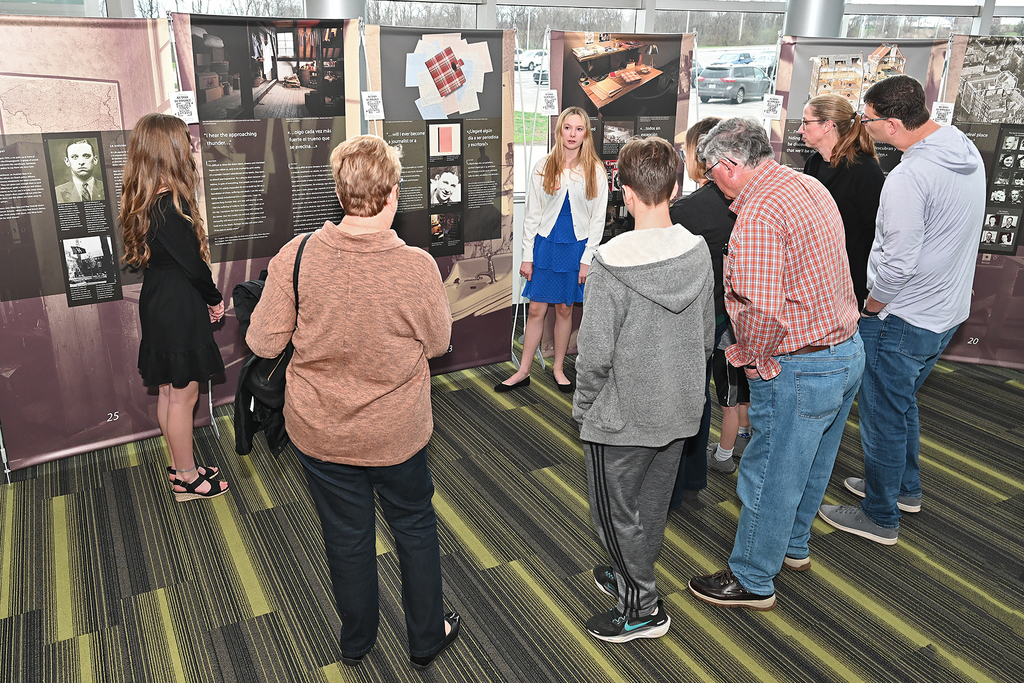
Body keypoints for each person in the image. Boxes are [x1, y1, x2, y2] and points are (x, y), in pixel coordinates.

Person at [246, 135, 459, 670]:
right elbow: (438, 344)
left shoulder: (296, 256)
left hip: (321, 432)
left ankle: (357, 640)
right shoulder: (416, 266)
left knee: (346, 536)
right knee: (413, 526)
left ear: (340, 193)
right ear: (392, 194)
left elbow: (262, 342)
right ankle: (426, 637)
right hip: (398, 434)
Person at [687, 117, 863, 611]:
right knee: (814, 461)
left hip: (801, 365)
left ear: (728, 165)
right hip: (846, 351)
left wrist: (751, 357)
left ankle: (752, 578)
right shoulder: (807, 184)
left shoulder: (758, 215)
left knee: (769, 472)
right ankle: (793, 546)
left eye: (709, 171)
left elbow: (760, 307)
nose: (709, 181)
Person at [818, 75, 986, 546]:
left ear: (892, 123)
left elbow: (898, 261)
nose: (862, 125)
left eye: (867, 119)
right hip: (947, 309)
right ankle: (902, 489)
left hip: (903, 316)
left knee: (883, 415)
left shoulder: (908, 178)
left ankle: (879, 516)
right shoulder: (961, 146)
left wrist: (871, 307)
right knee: (902, 403)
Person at [574, 136, 714, 641]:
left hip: (622, 417)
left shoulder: (610, 263)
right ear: (675, 188)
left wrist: (586, 408)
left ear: (624, 193)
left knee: (613, 512)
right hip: (679, 408)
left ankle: (642, 608)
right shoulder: (697, 250)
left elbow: (594, 355)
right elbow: (704, 337)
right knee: (650, 506)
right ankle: (627, 569)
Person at [120, 113, 229, 501]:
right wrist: (214, 298)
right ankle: (186, 477)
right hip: (178, 302)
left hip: (160, 298)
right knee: (183, 394)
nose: (191, 146)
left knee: (170, 392)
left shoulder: (148, 199)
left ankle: (179, 465)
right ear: (169, 149)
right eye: (185, 140)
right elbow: (194, 266)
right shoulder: (170, 204)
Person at [664, 117, 749, 508]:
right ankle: (695, 478)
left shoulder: (690, 210)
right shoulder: (746, 201)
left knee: (688, 399)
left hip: (697, 317)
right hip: (727, 317)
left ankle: (678, 483)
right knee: (709, 398)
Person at [496, 106, 607, 392]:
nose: (572, 134)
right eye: (567, 128)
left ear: (586, 134)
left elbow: (597, 220)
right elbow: (532, 215)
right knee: (535, 310)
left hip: (576, 247)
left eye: (579, 129)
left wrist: (587, 259)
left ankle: (558, 368)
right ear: (559, 131)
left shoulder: (595, 170)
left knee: (564, 310)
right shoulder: (543, 166)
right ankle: (523, 370)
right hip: (545, 244)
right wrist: (528, 256)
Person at [799, 94, 886, 305]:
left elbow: (875, 237)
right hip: (814, 277)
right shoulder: (814, 163)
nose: (800, 130)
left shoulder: (865, 171)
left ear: (828, 125)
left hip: (846, 284)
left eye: (805, 122)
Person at [56, 138, 106, 203]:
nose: (81, 162)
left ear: (95, 160)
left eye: (86, 156)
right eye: (74, 157)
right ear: (67, 161)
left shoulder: (107, 188)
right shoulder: (57, 192)